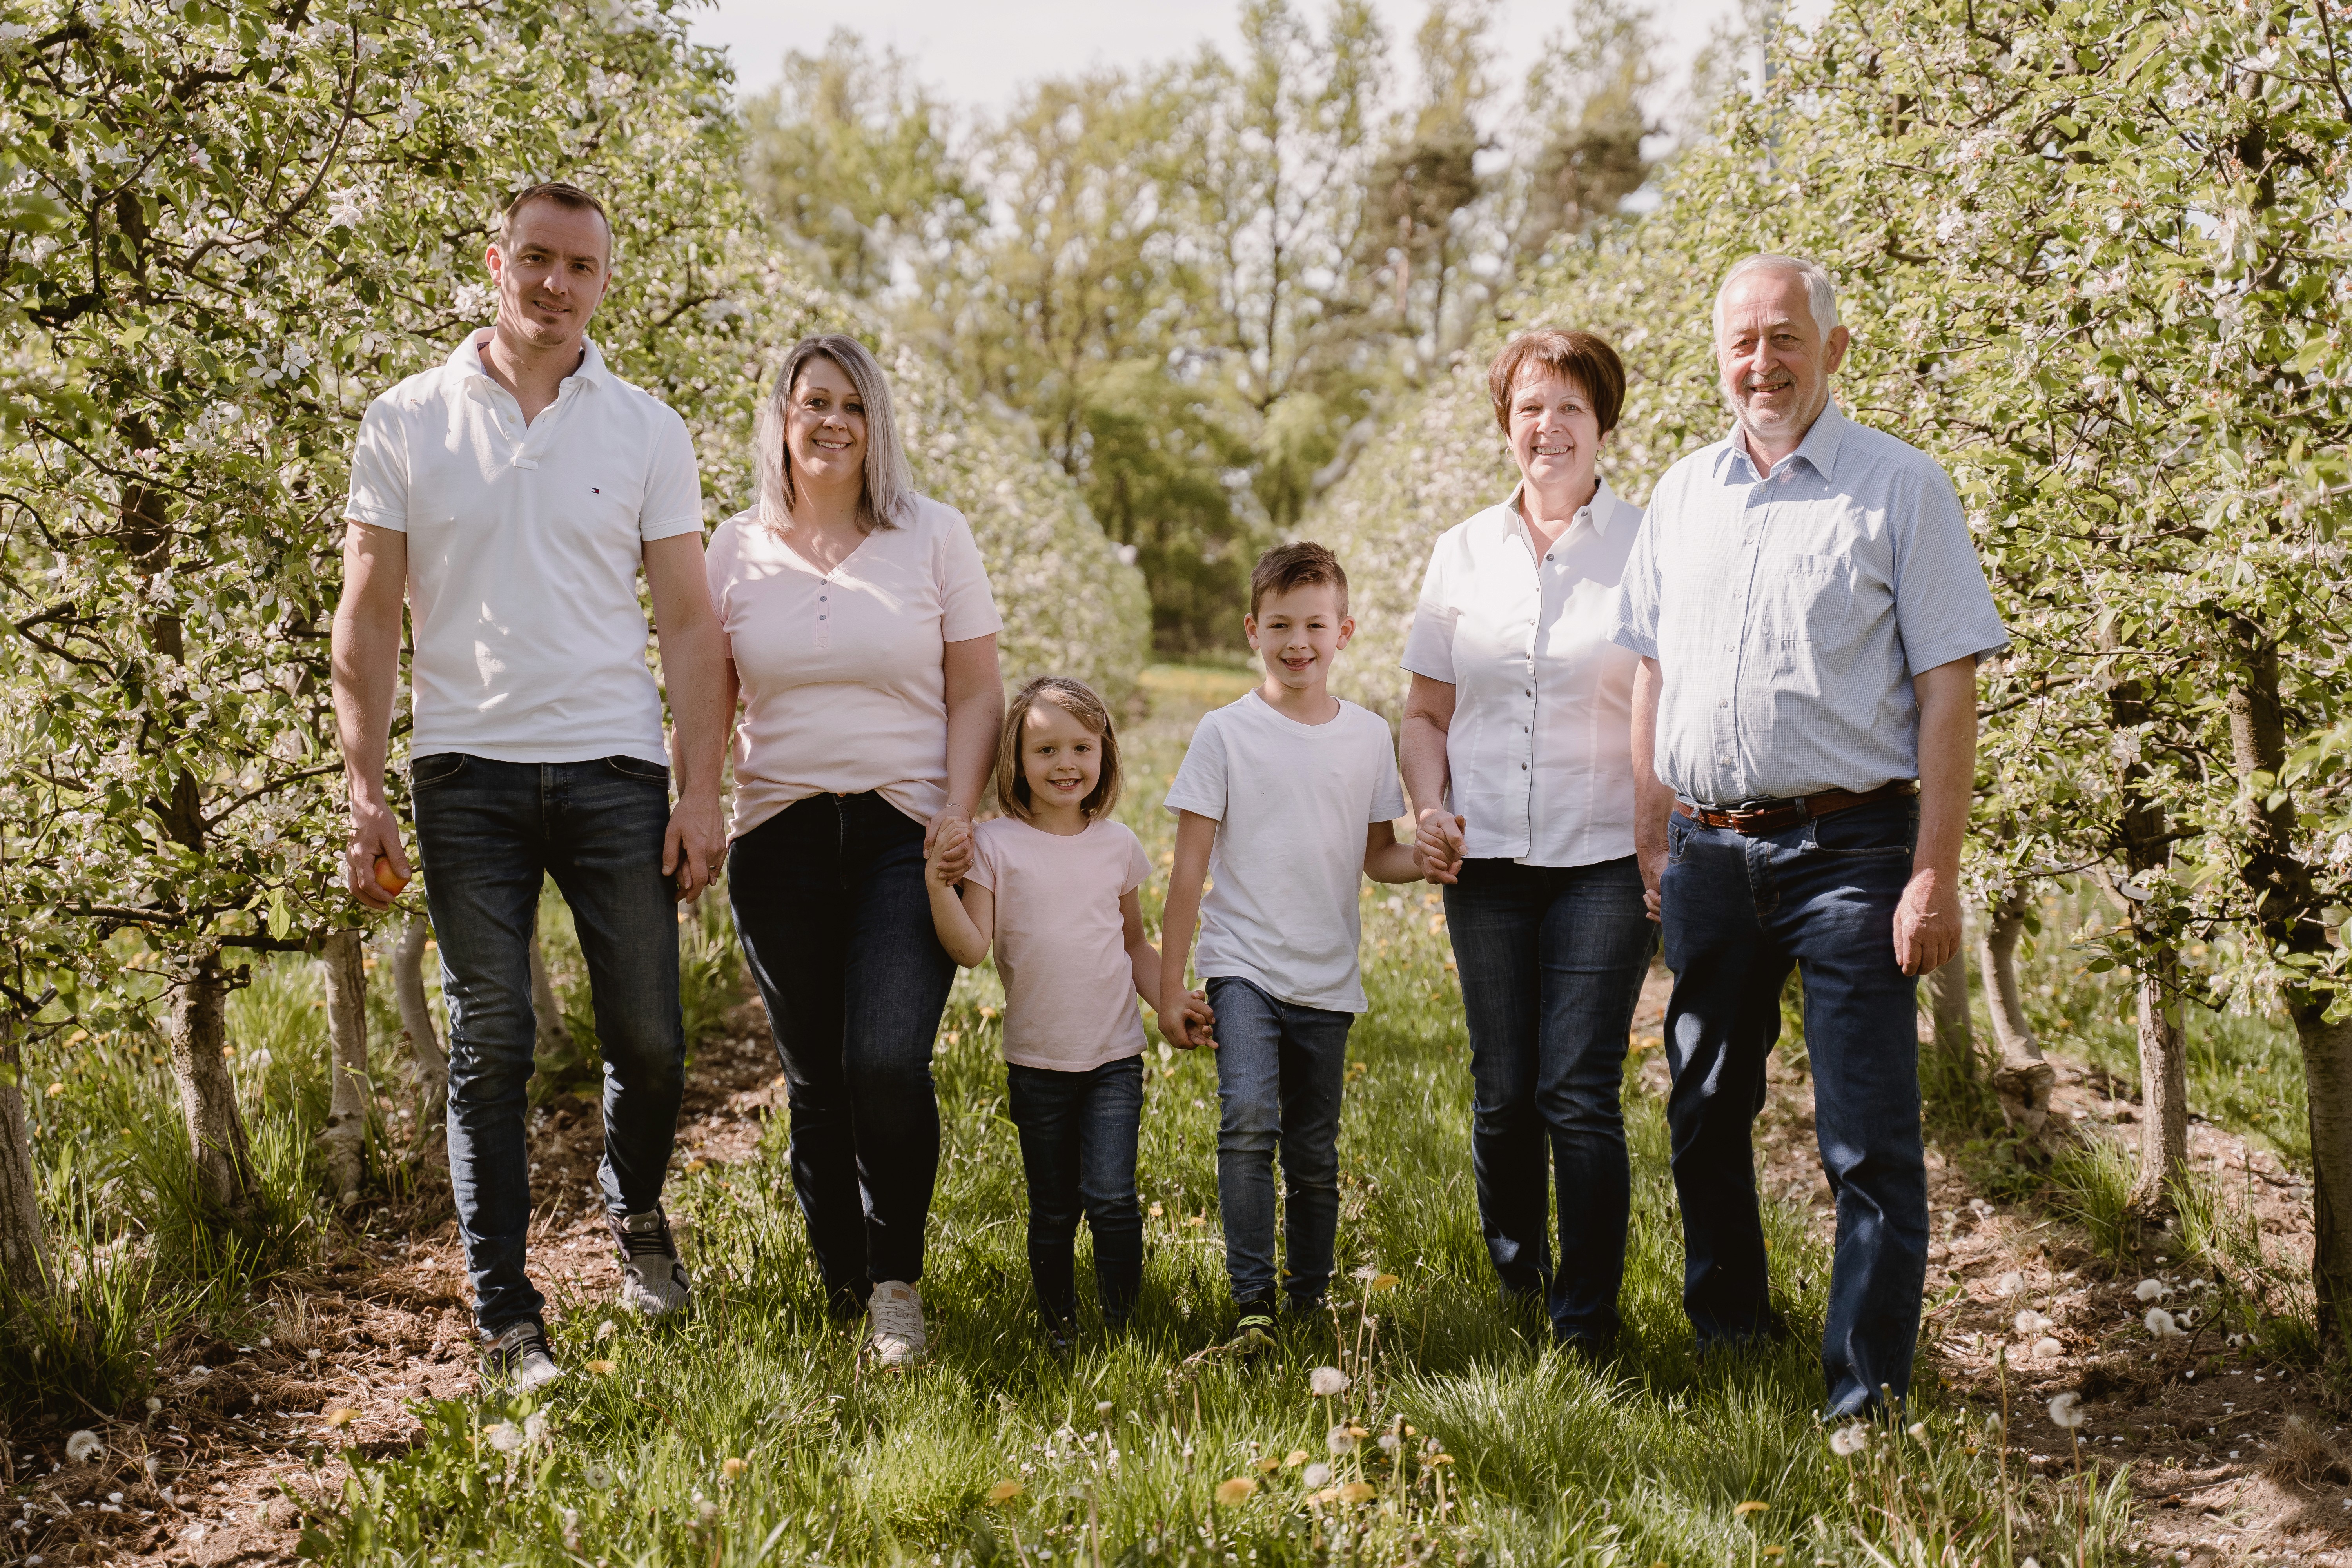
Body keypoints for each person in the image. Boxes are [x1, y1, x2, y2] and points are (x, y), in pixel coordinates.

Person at [332, 182, 725, 1390]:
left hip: (616, 766)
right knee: (490, 1044)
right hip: (468, 774)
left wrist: (700, 790)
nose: (557, 285)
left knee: (651, 1044)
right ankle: (508, 1315)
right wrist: (363, 787)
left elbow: (692, 624)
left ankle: (635, 1209)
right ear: (496, 262)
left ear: (605, 283)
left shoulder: (647, 428)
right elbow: (367, 616)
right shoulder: (404, 420)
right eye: (538, 260)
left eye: (582, 268)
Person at [1612, 253, 2008, 1416]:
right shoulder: (1683, 494)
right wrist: (1652, 834)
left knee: (1868, 1134)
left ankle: (1866, 1393)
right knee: (1703, 1103)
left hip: (1854, 853)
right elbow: (1651, 670)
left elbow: (1947, 689)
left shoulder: (1901, 489)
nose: (1762, 363)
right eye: (1743, 341)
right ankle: (1732, 1338)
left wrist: (1934, 872)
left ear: (1832, 350)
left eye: (1785, 338)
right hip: (1710, 853)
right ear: (1719, 356)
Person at [708, 333, 1004, 1368]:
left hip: (905, 832)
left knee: (884, 1057)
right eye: (813, 402)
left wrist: (957, 813)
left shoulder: (932, 537)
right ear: (782, 418)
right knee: (817, 1076)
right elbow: (709, 699)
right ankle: (841, 1276)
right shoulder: (733, 548)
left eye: (852, 406)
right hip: (778, 834)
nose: (831, 422)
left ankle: (896, 1284)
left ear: (876, 425)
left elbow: (977, 689)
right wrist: (696, 809)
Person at [1399, 328, 1655, 1356]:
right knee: (1504, 1093)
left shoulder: (1648, 547)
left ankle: (1587, 1321)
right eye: (1529, 410)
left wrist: (1658, 839)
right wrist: (1429, 808)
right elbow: (1423, 714)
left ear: (1603, 425)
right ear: (1508, 424)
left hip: (1604, 858)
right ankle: (1520, 1288)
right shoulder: (1461, 551)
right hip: (1488, 862)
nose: (1548, 429)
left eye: (1570, 410)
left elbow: (1664, 704)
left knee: (1577, 1092)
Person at [1159, 543, 1423, 1350]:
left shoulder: (1369, 738)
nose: (1297, 640)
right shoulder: (1225, 733)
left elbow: (1379, 853)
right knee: (1247, 1121)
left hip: (1327, 975)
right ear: (1252, 630)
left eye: (1314, 624)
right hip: (1242, 964)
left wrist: (1437, 859)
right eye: (1280, 624)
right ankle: (1254, 1304)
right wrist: (1172, 988)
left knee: (1313, 1151)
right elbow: (1188, 870)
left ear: (1345, 630)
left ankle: (1306, 1302)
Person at [926, 677, 1158, 1348]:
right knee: (1054, 1209)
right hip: (1038, 1064)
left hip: (1115, 1056)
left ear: (1104, 754)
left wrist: (1171, 1001)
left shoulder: (1118, 845)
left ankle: (1123, 1329)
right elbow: (970, 948)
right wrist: (938, 885)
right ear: (1016, 762)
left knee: (1113, 1200)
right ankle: (1060, 1328)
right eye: (1046, 749)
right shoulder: (997, 846)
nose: (1065, 764)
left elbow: (1136, 943)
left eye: (1082, 747)